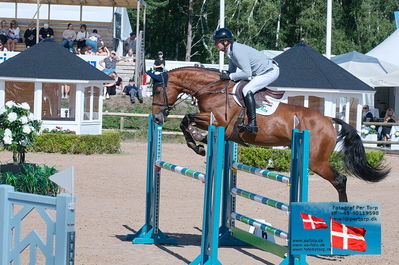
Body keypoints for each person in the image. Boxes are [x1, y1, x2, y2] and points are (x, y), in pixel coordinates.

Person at [212, 27, 280, 134]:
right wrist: (226, 75)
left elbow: (247, 73)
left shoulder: (237, 50)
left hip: (269, 71)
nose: (215, 44)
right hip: (261, 72)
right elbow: (231, 71)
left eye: (216, 42)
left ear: (225, 42)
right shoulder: (230, 52)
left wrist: (230, 76)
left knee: (247, 90)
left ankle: (253, 123)